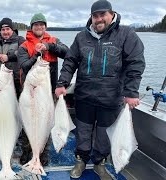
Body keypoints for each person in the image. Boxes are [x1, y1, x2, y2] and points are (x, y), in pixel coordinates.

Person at [55, 0, 145, 179]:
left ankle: (99, 163)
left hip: (110, 99)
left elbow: (135, 63)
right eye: (95, 16)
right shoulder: (81, 37)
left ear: (112, 14)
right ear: (91, 18)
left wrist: (132, 92)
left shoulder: (126, 35)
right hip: (84, 96)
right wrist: (61, 83)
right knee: (83, 132)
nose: (99, 19)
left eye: (102, 15)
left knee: (104, 135)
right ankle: (81, 160)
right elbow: (70, 61)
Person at [17, 13, 69, 166]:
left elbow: (67, 53)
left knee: (46, 123)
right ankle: (27, 152)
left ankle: (43, 153)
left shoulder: (54, 41)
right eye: (36, 25)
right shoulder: (24, 46)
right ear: (31, 27)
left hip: (49, 91)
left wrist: (48, 47)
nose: (39, 27)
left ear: (45, 26)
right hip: (30, 92)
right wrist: (37, 55)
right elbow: (24, 65)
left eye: (42, 24)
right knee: (28, 121)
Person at [0, 17, 25, 98]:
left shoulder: (20, 40)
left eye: (7, 29)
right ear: (0, 31)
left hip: (15, 82)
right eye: (3, 29)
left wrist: (8, 57)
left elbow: (23, 53)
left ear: (12, 30)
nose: (5, 32)